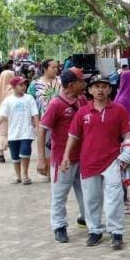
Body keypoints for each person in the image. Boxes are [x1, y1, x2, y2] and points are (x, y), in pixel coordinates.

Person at [63, 75, 130, 250]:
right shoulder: (83, 112)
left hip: (113, 160)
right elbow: (73, 136)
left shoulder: (119, 110)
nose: (100, 90)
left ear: (110, 89)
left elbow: (127, 133)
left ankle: (116, 232)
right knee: (91, 199)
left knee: (114, 198)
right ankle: (95, 231)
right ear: (90, 90)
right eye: (96, 86)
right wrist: (66, 156)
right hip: (88, 161)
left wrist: (129, 151)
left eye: (104, 86)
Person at [36, 67, 89, 244]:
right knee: (59, 194)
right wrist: (41, 159)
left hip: (82, 156)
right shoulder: (56, 104)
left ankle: (87, 219)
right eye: (81, 81)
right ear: (72, 84)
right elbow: (42, 130)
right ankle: (59, 226)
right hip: (62, 159)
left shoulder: (82, 100)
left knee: (86, 191)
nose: (85, 84)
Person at [0, 76, 40, 185]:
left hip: (27, 131)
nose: (23, 87)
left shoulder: (29, 98)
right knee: (15, 156)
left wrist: (37, 126)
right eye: (20, 85)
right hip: (13, 132)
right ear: (14, 87)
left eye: (24, 84)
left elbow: (35, 113)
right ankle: (18, 176)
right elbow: (2, 114)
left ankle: (25, 175)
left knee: (25, 152)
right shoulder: (8, 100)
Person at [115, 69, 130, 212]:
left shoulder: (129, 97)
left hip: (129, 137)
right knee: (124, 167)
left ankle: (123, 197)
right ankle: (121, 199)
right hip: (123, 139)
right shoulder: (123, 100)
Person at [0, 70, 15, 163]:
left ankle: (0, 154)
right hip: (11, 115)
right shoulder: (12, 90)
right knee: (12, 133)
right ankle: (14, 152)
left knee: (0, 134)